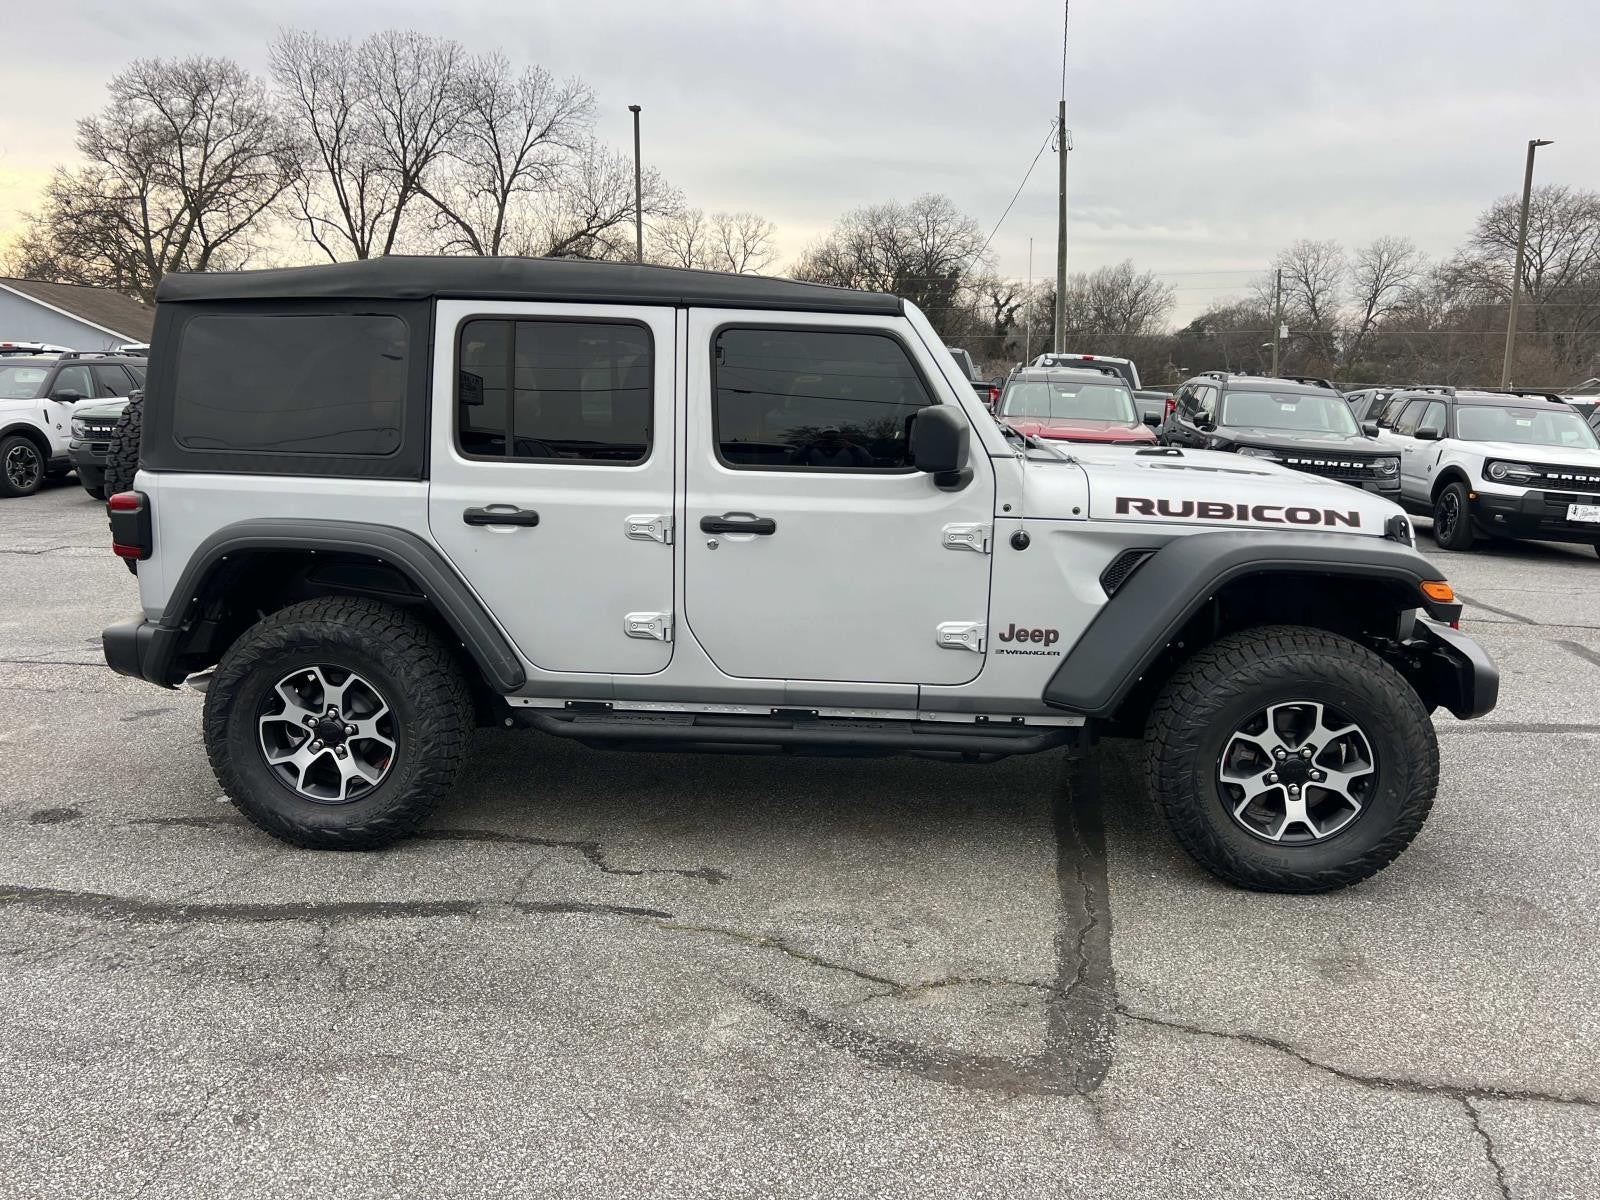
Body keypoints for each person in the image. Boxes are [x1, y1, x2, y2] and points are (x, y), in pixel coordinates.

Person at [792, 425, 871, 468]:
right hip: (816, 478)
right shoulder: (812, 448)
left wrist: (852, 447)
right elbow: (793, 459)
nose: (830, 439)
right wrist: (808, 447)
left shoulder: (851, 448)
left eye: (834, 436)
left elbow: (869, 461)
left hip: (846, 478)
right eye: (827, 436)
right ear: (820, 437)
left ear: (840, 436)